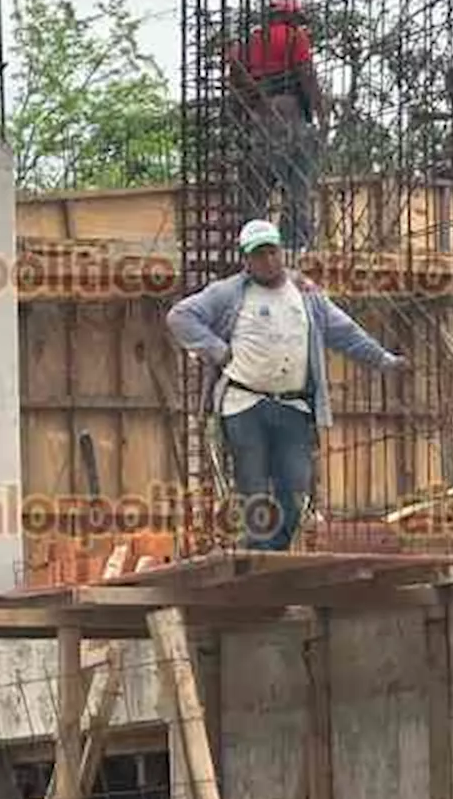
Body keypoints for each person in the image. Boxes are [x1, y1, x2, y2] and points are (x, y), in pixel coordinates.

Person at [166, 218, 406, 550]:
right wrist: (218, 351)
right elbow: (180, 316)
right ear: (246, 260)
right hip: (244, 403)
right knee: (253, 484)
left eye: (272, 252)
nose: (267, 260)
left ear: (282, 251)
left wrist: (382, 359)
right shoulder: (230, 293)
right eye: (259, 255)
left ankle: (268, 552)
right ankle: (259, 556)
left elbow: (345, 333)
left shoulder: (307, 296)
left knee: (295, 484)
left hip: (293, 405)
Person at [226, 0, 329, 254]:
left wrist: (250, 107)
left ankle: (252, 245)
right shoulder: (295, 38)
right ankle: (293, 247)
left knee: (256, 190)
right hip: (289, 113)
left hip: (257, 119)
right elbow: (306, 75)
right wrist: (321, 112)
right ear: (291, 18)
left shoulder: (247, 45)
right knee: (296, 184)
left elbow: (235, 82)